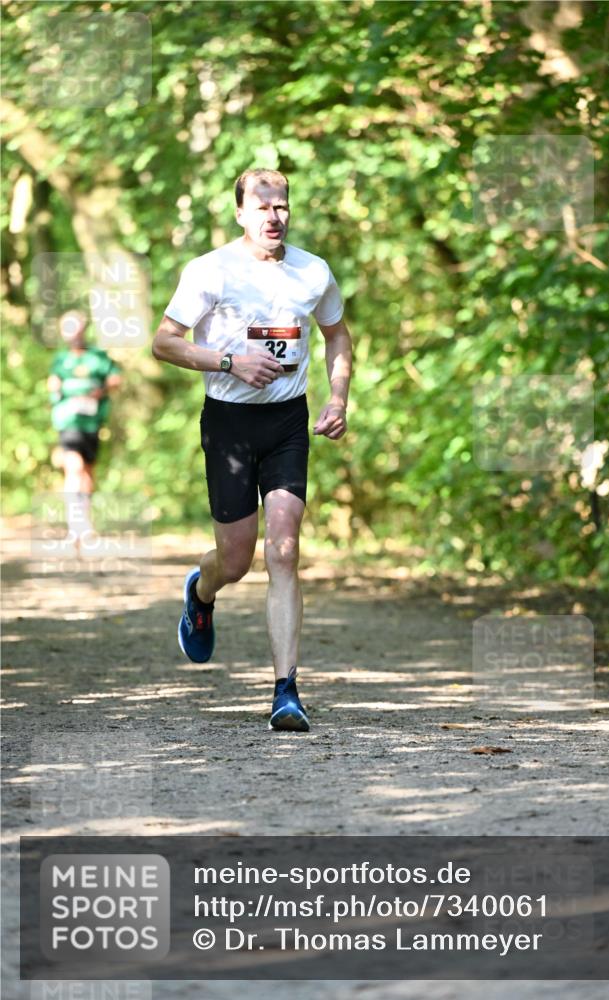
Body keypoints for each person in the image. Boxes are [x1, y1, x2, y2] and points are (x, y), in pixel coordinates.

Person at [152, 168, 352, 732]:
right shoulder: (210, 270)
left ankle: (286, 691)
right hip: (229, 423)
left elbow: (337, 333)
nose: (273, 216)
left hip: (288, 421)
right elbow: (163, 342)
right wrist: (228, 360)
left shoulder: (313, 271)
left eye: (282, 205)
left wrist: (337, 398)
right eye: (262, 206)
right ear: (240, 212)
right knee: (236, 560)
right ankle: (202, 588)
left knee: (284, 548)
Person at [47, 309, 122, 549]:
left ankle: (85, 523)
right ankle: (74, 527)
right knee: (74, 468)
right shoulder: (60, 359)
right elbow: (53, 384)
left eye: (77, 328)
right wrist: (58, 389)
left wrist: (99, 391)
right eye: (68, 329)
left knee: (87, 473)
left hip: (92, 423)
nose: (74, 334)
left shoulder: (98, 357)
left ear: (83, 330)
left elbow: (115, 379)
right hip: (68, 422)